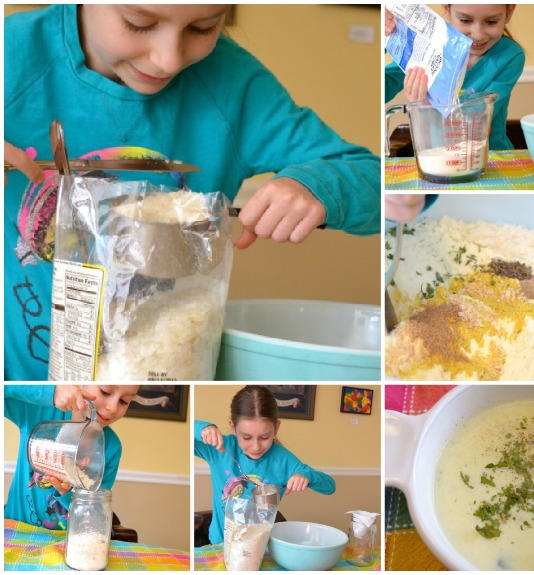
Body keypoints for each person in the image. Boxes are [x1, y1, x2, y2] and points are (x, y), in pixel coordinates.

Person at [4, 5, 381, 381]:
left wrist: (317, 185)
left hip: (157, 377)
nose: (168, 59)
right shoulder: (14, 52)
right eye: (139, 23)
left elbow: (373, 180)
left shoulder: (232, 86)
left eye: (203, 27)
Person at [195, 385, 335, 544]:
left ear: (276, 428)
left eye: (264, 437)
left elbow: (330, 487)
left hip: (260, 548)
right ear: (233, 427)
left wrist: (307, 476)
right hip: (220, 545)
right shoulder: (219, 449)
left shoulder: (283, 460)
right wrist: (203, 428)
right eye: (246, 437)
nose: (256, 447)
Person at [385, 4, 524, 150]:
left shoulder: (510, 55)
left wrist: (424, 107)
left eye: (491, 22)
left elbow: (475, 123)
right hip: (436, 154)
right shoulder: (426, 49)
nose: (477, 35)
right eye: (465, 20)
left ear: (509, 12)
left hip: (493, 156)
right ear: (447, 10)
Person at [5, 385, 140, 530]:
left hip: (68, 540)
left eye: (124, 401)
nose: (113, 408)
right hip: (16, 530)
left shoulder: (111, 447)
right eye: (105, 392)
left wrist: (67, 493)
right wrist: (51, 392)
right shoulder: (37, 412)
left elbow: (94, 509)